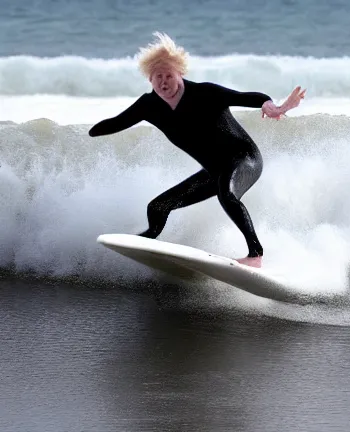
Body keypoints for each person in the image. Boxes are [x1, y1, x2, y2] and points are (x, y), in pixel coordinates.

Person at [89, 32, 305, 267]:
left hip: (245, 159)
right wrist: (91, 131)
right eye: (157, 77)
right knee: (158, 207)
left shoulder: (205, 93)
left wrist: (274, 107)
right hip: (214, 170)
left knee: (227, 194)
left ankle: (255, 255)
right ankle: (147, 243)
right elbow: (117, 122)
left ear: (179, 73)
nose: (163, 82)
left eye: (168, 76)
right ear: (150, 80)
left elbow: (246, 97)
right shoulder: (149, 106)